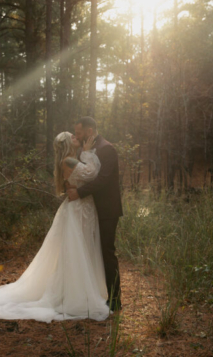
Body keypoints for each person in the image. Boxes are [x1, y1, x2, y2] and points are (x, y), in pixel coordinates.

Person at [0, 131, 110, 322]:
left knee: (82, 249)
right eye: (71, 136)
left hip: (82, 209)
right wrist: (88, 152)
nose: (76, 137)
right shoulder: (69, 161)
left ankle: (80, 289)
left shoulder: (72, 159)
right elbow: (92, 173)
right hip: (78, 210)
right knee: (76, 251)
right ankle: (75, 294)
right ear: (66, 143)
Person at [67, 117, 123, 311]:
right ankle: (93, 293)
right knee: (90, 252)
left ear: (90, 131)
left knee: (107, 252)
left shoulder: (107, 149)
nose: (77, 136)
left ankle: (115, 299)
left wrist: (79, 193)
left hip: (107, 209)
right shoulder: (86, 150)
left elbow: (104, 180)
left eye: (80, 133)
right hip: (89, 209)